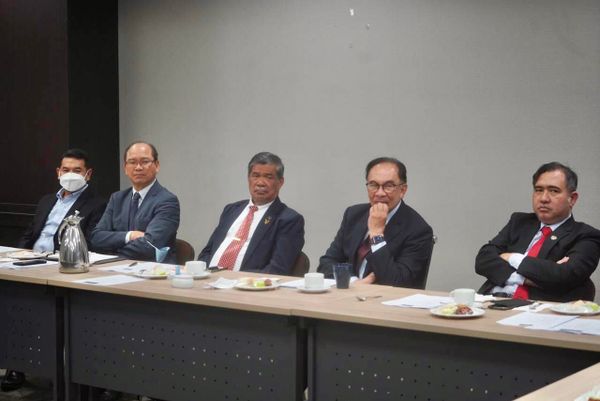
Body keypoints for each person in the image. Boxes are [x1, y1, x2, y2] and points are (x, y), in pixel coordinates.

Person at [2, 149, 106, 393]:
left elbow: (90, 242)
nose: (70, 174)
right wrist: (15, 257)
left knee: (34, 306)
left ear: (88, 174)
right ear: (58, 172)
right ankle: (16, 362)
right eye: (66, 169)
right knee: (9, 299)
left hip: (59, 267)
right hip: (29, 262)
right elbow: (31, 233)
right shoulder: (47, 200)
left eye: (77, 170)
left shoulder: (98, 204)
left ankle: (48, 367)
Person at [475, 162, 600, 302]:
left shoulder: (586, 235)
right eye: (539, 190)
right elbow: (483, 259)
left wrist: (512, 258)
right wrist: (528, 277)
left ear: (572, 199)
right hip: (491, 301)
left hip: (537, 309)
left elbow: (564, 276)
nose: (543, 198)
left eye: (554, 191)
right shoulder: (519, 222)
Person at [317, 157, 434, 288]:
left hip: (386, 299)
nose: (380, 193)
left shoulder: (418, 230)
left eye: (388, 186)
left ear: (402, 190)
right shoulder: (353, 214)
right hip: (348, 293)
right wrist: (353, 282)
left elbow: (398, 282)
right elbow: (326, 264)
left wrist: (376, 234)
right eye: (373, 185)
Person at [198, 152, 304, 275]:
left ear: (280, 182)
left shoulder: (289, 220)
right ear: (248, 179)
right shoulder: (231, 210)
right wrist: (201, 273)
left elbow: (277, 269)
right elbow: (207, 252)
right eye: (256, 176)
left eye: (268, 177)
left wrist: (235, 279)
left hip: (245, 283)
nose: (260, 183)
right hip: (209, 279)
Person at [91, 141, 180, 264]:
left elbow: (150, 246)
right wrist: (130, 236)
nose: (138, 167)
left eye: (145, 161)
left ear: (157, 165)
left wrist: (113, 253)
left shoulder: (167, 200)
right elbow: (96, 238)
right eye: (132, 162)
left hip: (154, 270)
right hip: (116, 268)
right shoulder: (117, 198)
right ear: (125, 168)